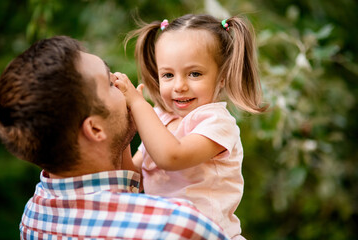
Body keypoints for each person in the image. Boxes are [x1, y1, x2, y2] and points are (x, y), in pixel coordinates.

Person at [0, 36, 231, 239]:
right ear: (96, 130)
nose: (121, 84)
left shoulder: (33, 215)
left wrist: (124, 134)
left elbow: (133, 180)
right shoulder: (173, 225)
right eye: (110, 83)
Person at [114, 14, 268, 240]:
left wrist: (138, 104)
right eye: (168, 75)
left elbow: (172, 157)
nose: (179, 86)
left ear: (222, 77)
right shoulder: (160, 119)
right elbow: (131, 182)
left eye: (194, 74)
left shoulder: (217, 123)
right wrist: (125, 132)